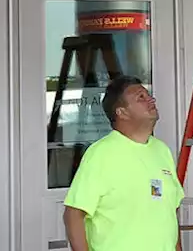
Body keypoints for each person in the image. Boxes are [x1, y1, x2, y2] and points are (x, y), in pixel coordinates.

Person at [63, 76, 183, 251]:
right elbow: (73, 214)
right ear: (122, 112)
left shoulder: (162, 150)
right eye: (140, 97)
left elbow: (170, 213)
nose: (150, 99)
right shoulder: (101, 154)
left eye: (148, 95)